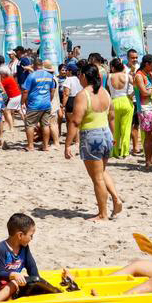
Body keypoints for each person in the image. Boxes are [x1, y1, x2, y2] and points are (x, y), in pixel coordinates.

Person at [64, 63, 124, 220]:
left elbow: (75, 122)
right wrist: (113, 136)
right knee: (102, 171)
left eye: (79, 75)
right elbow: (112, 116)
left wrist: (67, 144)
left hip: (92, 136)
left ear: (83, 76)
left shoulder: (83, 95)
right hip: (106, 134)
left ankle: (103, 214)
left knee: (97, 178)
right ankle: (116, 199)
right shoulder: (104, 92)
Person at [0, 213, 39, 303]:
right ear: (20, 235)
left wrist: (37, 282)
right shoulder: (2, 248)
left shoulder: (24, 249)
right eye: (31, 235)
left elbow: (32, 267)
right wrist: (13, 274)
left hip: (9, 289)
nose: (31, 238)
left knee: (15, 283)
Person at [21, 58, 57, 152]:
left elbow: (25, 91)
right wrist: (50, 99)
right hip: (46, 104)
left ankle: (30, 146)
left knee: (30, 125)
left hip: (34, 104)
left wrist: (22, 102)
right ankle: (45, 146)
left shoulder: (31, 76)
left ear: (34, 65)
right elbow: (52, 90)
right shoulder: (49, 76)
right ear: (42, 65)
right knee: (45, 125)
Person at [104, 57, 134, 158]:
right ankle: (125, 152)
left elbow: (107, 90)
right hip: (126, 101)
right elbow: (137, 85)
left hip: (113, 102)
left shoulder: (109, 76)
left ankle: (114, 151)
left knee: (114, 129)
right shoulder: (127, 76)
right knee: (126, 128)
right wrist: (131, 95)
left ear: (112, 67)